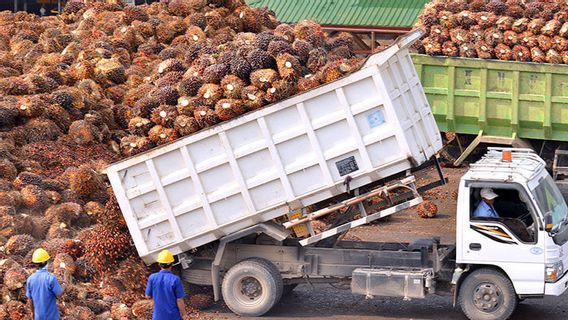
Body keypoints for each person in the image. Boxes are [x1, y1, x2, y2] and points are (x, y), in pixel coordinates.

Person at [26, 248, 69, 320]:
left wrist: (32, 313)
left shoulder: (30, 279)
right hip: (51, 316)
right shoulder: (51, 278)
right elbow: (59, 294)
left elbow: (30, 299)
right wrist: (64, 284)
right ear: (46, 262)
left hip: (38, 317)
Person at [146, 250, 187, 320]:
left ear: (159, 264)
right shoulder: (175, 279)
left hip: (157, 317)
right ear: (172, 264)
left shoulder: (152, 277)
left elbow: (148, 296)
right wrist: (184, 314)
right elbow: (179, 300)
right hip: (173, 316)